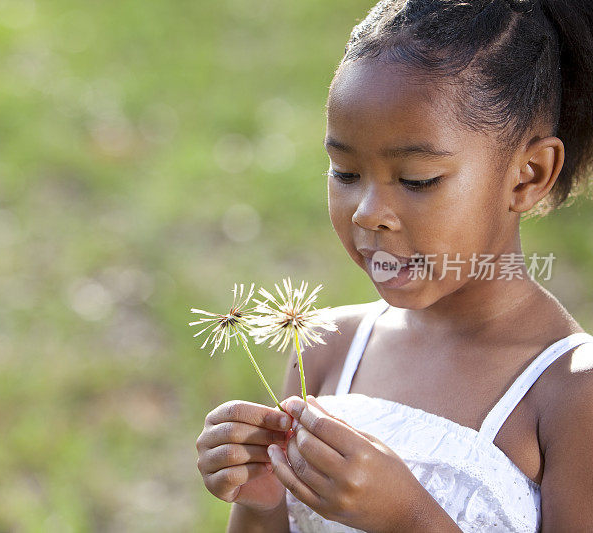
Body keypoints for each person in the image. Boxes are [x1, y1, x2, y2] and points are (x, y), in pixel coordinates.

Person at [194, 0, 593, 531]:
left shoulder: (571, 395)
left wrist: (407, 516)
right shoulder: (326, 348)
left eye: (417, 180)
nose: (367, 212)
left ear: (528, 175)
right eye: (344, 172)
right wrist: (261, 499)